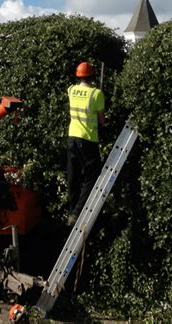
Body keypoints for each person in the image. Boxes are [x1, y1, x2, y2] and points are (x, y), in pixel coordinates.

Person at [67, 62, 105, 226]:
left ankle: (71, 211)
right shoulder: (96, 94)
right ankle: (77, 212)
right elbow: (102, 120)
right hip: (88, 139)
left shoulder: (71, 90)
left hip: (72, 137)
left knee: (73, 176)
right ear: (92, 76)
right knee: (93, 175)